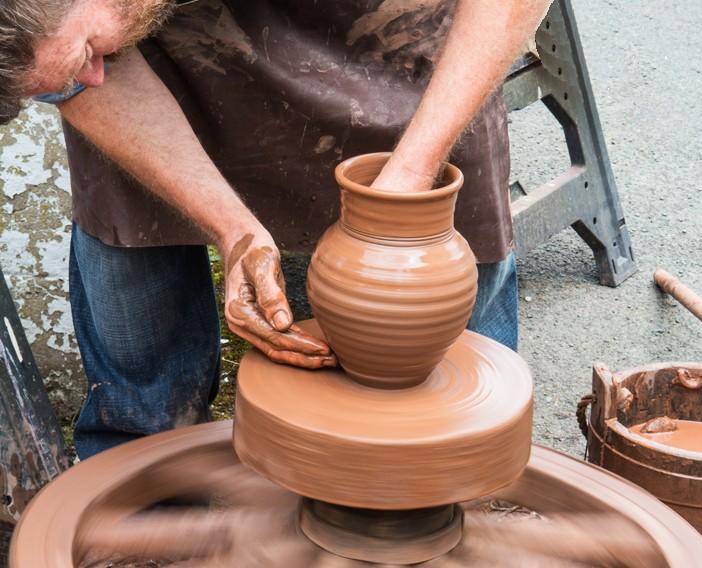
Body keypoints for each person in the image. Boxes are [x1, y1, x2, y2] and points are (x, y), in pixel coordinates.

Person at [1, 0, 551, 458]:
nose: (90, 76)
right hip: (178, 46)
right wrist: (234, 228)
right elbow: (83, 79)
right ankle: (148, 498)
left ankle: (453, 476)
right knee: (144, 412)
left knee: (458, 398)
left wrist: (413, 168)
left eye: (88, 54)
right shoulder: (71, 37)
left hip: (388, 36)